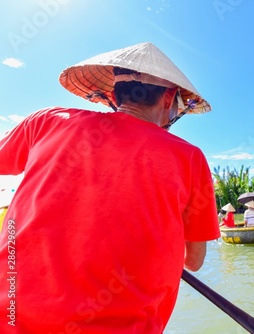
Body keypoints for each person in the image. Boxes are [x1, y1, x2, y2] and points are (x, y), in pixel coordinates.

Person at [0, 42, 220, 333]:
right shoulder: (188, 157)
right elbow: (193, 261)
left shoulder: (48, 121)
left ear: (114, 95)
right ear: (168, 99)